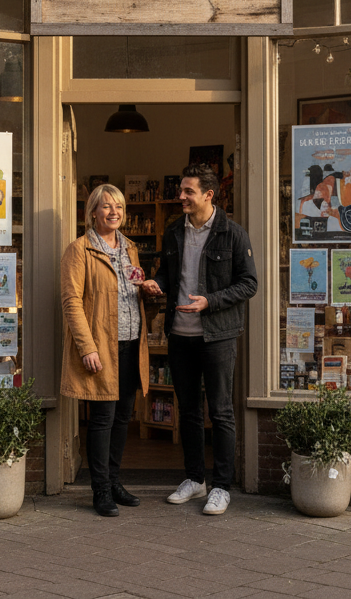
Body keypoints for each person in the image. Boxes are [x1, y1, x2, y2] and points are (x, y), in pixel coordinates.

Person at [140, 164, 257, 515]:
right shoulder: (174, 231)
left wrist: (211, 301)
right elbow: (166, 270)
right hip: (179, 334)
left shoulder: (232, 234)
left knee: (220, 411)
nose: (181, 197)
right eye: (181, 190)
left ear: (208, 195)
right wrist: (157, 282)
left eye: (188, 191)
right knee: (188, 411)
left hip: (218, 335)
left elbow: (249, 283)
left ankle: (221, 486)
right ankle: (195, 479)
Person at [60, 184, 149, 517]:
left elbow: (129, 290)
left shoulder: (130, 248)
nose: (114, 213)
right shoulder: (79, 250)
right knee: (102, 419)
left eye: (120, 208)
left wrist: (147, 288)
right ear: (93, 212)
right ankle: (99, 490)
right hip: (101, 346)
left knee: (123, 418)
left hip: (130, 343)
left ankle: (113, 481)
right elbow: (71, 302)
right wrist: (87, 347)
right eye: (107, 207)